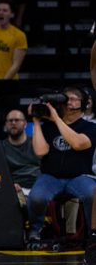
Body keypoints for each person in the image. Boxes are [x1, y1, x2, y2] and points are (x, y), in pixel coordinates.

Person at [26, 88, 96, 249]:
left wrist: (57, 119)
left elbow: (78, 144)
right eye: (66, 98)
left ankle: (91, 235)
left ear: (83, 104)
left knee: (92, 195)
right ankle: (35, 231)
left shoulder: (90, 127)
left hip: (80, 176)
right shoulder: (49, 126)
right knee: (36, 197)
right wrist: (37, 122)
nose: (68, 101)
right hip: (51, 176)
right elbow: (40, 151)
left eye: (73, 99)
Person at [1, 109, 40, 207]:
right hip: (14, 189)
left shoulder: (37, 143)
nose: (13, 123)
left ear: (25, 124)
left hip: (38, 187)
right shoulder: (0, 147)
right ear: (6, 125)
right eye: (10, 120)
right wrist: (10, 185)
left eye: (17, 120)